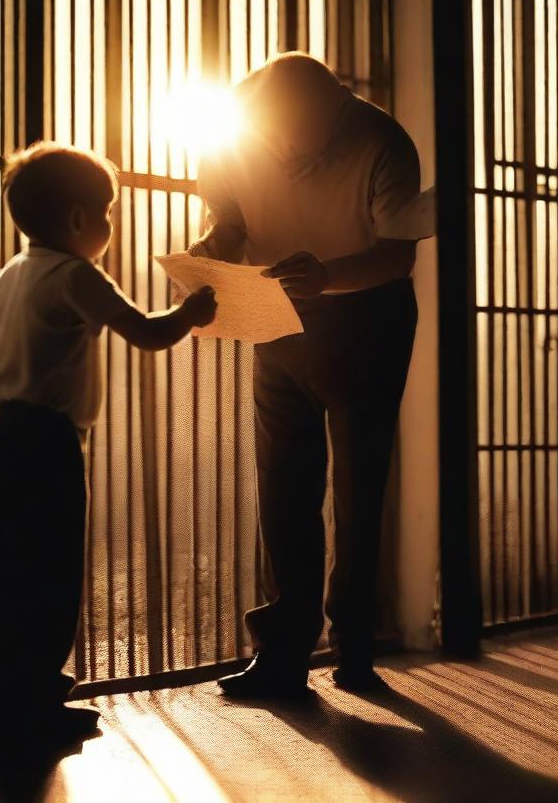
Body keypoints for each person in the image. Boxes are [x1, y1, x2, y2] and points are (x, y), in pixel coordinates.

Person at [0, 142, 216, 747]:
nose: (110, 223)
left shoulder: (13, 272)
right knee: (48, 571)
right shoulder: (74, 274)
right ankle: (36, 705)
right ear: (79, 218)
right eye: (106, 211)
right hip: (41, 440)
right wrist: (194, 310)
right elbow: (148, 333)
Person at [190, 52, 425, 699]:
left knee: (358, 486)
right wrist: (214, 248)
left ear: (338, 105)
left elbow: (397, 256)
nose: (285, 147)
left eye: (302, 129)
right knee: (283, 486)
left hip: (368, 320)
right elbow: (231, 218)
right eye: (272, 131)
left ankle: (354, 644)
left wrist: (329, 275)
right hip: (276, 318)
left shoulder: (383, 142)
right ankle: (283, 654)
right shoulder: (235, 139)